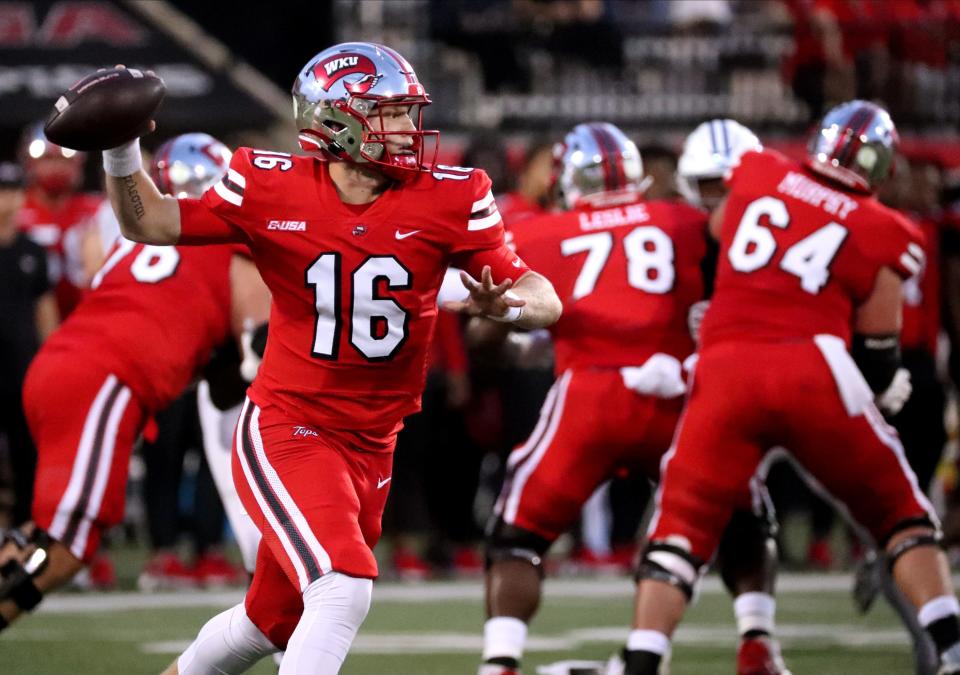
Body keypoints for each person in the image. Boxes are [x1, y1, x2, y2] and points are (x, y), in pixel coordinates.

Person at [97, 43, 561, 675]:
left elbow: (543, 297)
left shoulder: (451, 195)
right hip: (290, 423)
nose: (407, 129)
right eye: (388, 113)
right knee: (342, 587)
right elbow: (147, 221)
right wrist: (120, 147)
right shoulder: (268, 183)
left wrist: (505, 307)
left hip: (375, 439)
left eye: (407, 112)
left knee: (268, 621)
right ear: (335, 119)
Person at [626, 100, 960, 675]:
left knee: (680, 526)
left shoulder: (760, 170)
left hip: (727, 365)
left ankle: (642, 660)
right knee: (901, 515)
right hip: (814, 364)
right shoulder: (890, 231)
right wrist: (881, 385)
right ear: (883, 166)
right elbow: (880, 346)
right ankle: (952, 648)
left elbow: (720, 228)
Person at [479, 121, 779, 675]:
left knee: (517, 534)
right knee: (743, 514)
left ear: (570, 179)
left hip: (590, 395)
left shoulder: (542, 231)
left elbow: (489, 323)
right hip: (680, 395)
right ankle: (756, 640)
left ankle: (500, 663)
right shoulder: (689, 220)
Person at [0, 133, 270, 632]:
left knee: (47, 532)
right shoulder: (234, 242)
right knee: (67, 544)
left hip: (63, 366)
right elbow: (259, 351)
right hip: (106, 378)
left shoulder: (141, 238)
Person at [0, 162, 58, 527]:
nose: (9, 200)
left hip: (24, 370)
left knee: (27, 454)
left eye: (15, 191)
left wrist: (52, 364)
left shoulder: (33, 251)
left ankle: (24, 531)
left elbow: (45, 311)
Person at [15, 123, 101, 318]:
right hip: (25, 322)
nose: (56, 167)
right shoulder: (14, 208)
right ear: (29, 163)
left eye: (64, 160)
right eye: (47, 159)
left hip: (83, 317)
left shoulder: (96, 209)